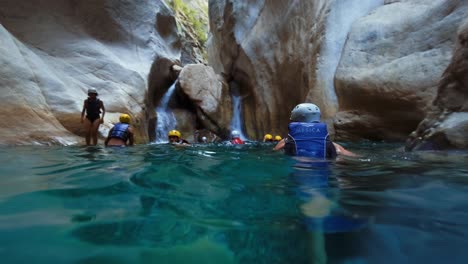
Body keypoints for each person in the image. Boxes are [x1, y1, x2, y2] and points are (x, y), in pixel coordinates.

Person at [274, 103, 357, 158]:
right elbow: (352, 156)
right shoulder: (329, 143)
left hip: (299, 167)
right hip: (323, 167)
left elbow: (274, 153)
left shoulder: (285, 141)